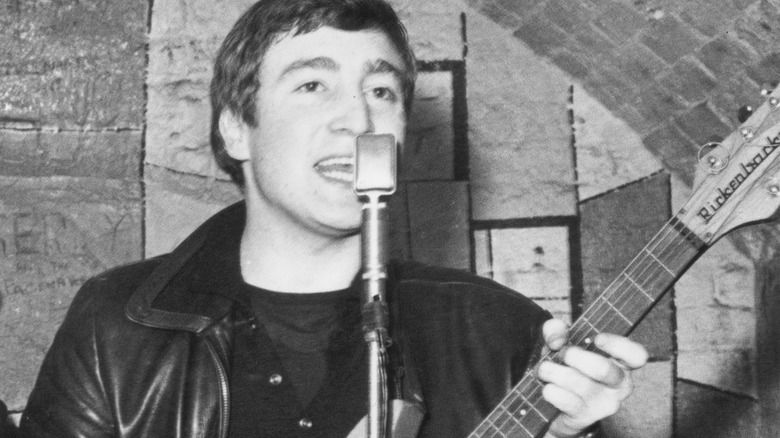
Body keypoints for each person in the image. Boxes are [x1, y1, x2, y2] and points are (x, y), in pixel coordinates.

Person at [19, 0, 648, 437]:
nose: (359, 118)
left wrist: (566, 432)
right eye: (313, 86)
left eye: (381, 91)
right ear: (238, 129)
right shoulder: (117, 322)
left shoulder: (502, 331)